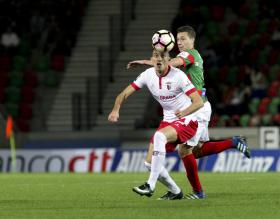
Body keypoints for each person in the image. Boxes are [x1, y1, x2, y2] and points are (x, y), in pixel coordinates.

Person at [127, 25, 250, 199]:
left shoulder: (189, 54)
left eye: (183, 39)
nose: (180, 43)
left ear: (192, 40)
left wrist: (148, 62)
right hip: (198, 106)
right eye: (178, 40)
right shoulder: (189, 56)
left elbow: (171, 64)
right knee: (197, 151)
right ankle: (234, 142)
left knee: (184, 151)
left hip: (196, 108)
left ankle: (198, 192)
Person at [108, 49, 204, 199]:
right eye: (155, 56)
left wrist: (184, 112)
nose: (159, 59)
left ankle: (150, 185)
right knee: (149, 164)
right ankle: (176, 191)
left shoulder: (178, 76)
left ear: (168, 59)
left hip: (187, 120)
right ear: (152, 59)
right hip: (168, 122)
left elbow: (198, 102)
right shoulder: (147, 75)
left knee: (159, 136)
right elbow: (124, 93)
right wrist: (115, 109)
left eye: (162, 56)